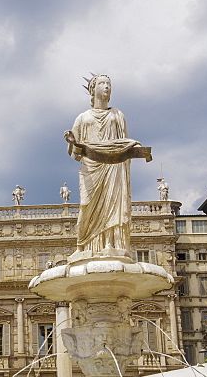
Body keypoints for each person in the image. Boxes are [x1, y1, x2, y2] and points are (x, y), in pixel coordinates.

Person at [64, 74, 150, 256]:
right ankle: (83, 246)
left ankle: (112, 245)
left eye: (108, 84)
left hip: (114, 166)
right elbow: (74, 154)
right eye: (102, 83)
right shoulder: (83, 118)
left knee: (114, 205)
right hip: (91, 167)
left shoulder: (117, 115)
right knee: (86, 206)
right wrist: (72, 142)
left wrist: (134, 146)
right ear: (92, 89)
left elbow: (124, 141)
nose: (106, 87)